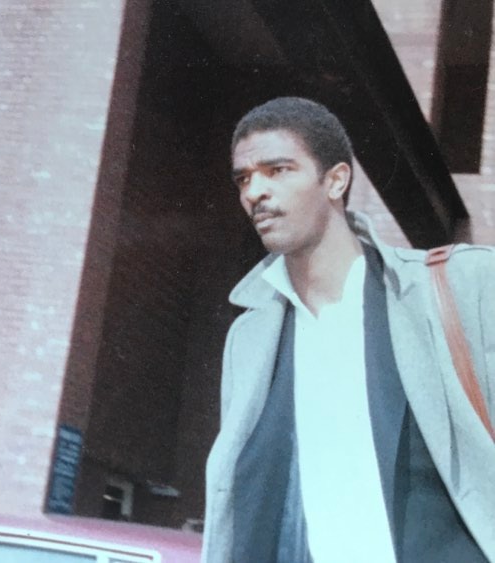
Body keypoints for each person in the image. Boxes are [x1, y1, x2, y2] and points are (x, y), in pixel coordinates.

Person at [202, 97, 495, 563]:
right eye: (244, 178)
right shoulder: (250, 338)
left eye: (278, 170)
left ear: (336, 180)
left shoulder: (458, 284)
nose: (255, 191)